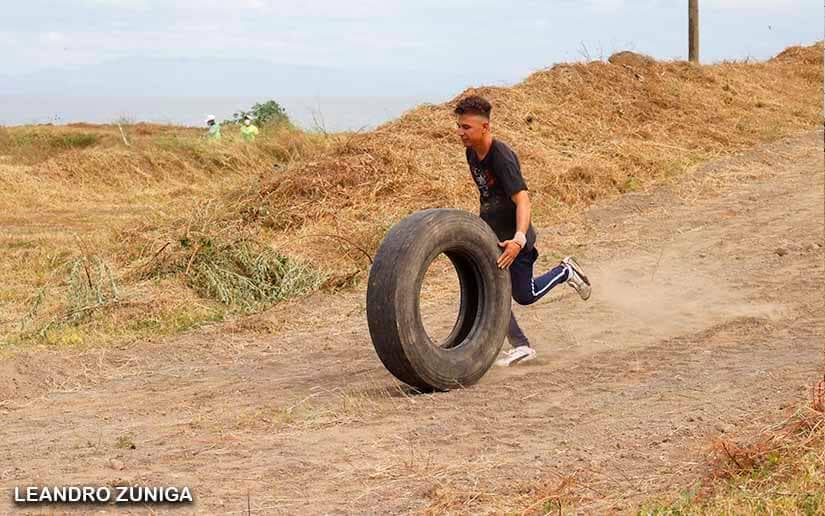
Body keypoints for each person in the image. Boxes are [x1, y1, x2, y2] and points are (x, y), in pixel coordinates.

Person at [454, 95, 591, 367]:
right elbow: (489, 195)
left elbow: (523, 199)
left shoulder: (502, 157)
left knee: (524, 296)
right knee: (489, 290)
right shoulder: (472, 152)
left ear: (485, 127)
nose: (460, 133)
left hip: (516, 237)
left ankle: (566, 271)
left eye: (466, 127)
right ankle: (521, 346)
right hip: (493, 236)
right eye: (459, 126)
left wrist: (518, 239)